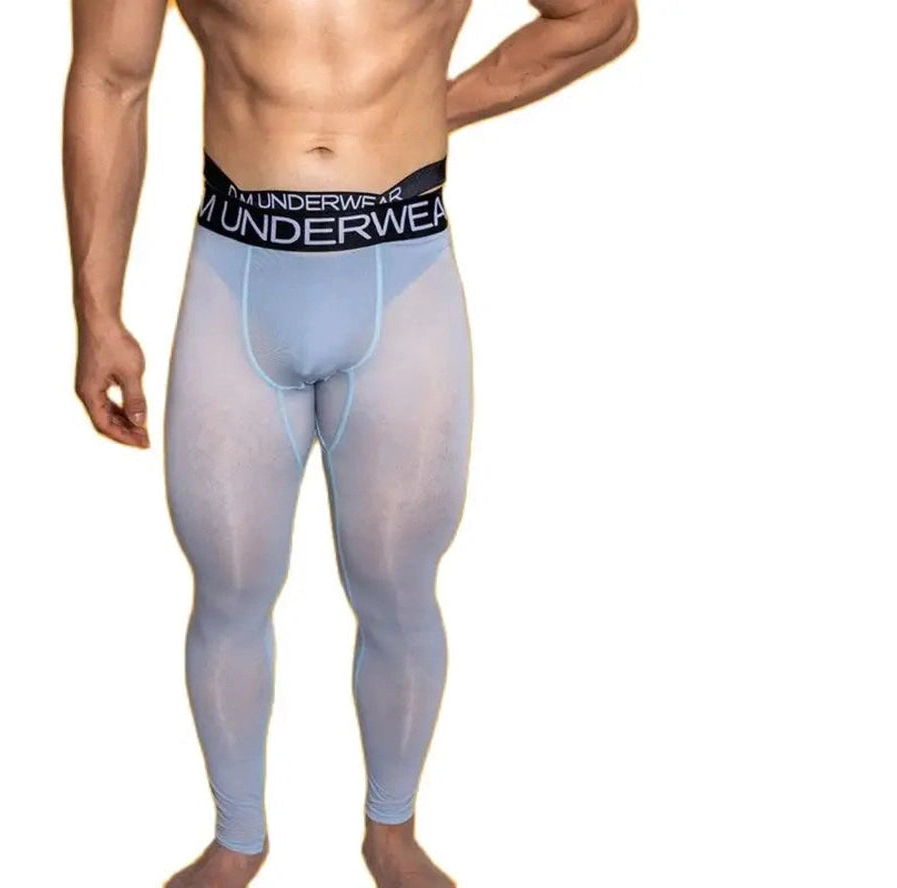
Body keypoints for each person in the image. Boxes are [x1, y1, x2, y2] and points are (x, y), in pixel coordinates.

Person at [62, 0, 637, 884]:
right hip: (237, 275)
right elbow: (111, 79)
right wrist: (96, 313)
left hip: (401, 275)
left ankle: (391, 833)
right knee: (228, 586)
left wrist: (445, 101)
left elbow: (600, 16)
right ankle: (238, 837)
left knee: (398, 588)